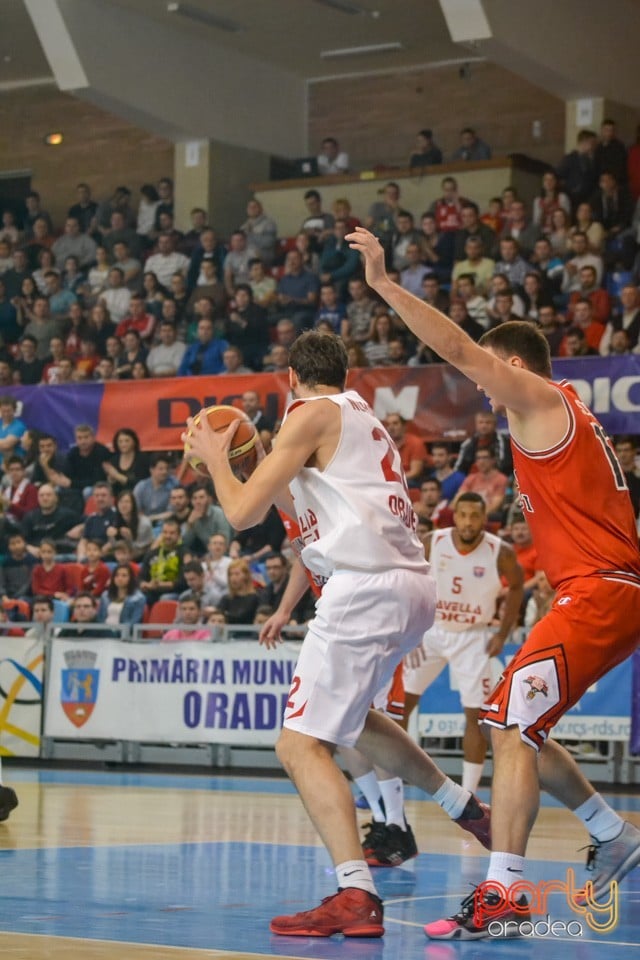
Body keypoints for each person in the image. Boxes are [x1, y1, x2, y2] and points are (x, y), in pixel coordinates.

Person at [347, 225, 640, 938]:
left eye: (491, 376)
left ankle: (503, 895)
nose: (482, 392)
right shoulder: (565, 416)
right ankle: (614, 833)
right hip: (603, 591)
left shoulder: (540, 399)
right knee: (521, 722)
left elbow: (456, 349)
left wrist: (386, 286)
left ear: (513, 366)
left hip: (600, 592)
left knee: (508, 723)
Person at [183, 330, 491, 938]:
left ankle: (355, 892)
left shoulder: (309, 414)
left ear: (292, 375)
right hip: (411, 589)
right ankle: (461, 804)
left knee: (298, 745)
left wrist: (218, 460)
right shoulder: (359, 418)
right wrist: (251, 464)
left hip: (365, 589)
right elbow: (300, 519)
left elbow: (240, 515)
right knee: (351, 722)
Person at [403, 493, 523, 792]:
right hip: (431, 630)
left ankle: (469, 794)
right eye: (463, 515)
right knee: (400, 705)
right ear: (454, 516)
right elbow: (409, 580)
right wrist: (411, 630)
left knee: (476, 716)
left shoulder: (501, 551)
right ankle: (393, 781)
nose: (468, 522)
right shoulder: (433, 541)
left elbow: (518, 586)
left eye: (475, 516)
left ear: (485, 518)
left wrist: (502, 634)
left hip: (474, 637)